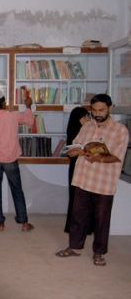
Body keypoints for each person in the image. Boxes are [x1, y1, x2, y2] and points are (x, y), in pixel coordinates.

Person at [56, 94, 128, 267]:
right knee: (78, 216)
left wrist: (95, 156)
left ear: (110, 108)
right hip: (82, 179)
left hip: (104, 183)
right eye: (94, 110)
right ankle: (75, 247)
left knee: (101, 220)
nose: (98, 113)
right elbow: (74, 147)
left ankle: (99, 253)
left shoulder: (120, 131)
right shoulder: (87, 126)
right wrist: (75, 151)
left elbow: (117, 157)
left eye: (101, 110)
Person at [0, 91, 34, 232]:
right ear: (4, 104)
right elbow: (30, 122)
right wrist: (28, 107)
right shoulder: (14, 116)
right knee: (17, 190)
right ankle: (24, 223)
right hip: (11, 160)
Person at [64, 106, 91, 233]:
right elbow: (71, 151)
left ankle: (87, 226)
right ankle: (73, 226)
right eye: (85, 117)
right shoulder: (74, 131)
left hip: (87, 166)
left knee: (87, 198)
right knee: (76, 197)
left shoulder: (89, 130)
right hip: (76, 166)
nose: (87, 119)